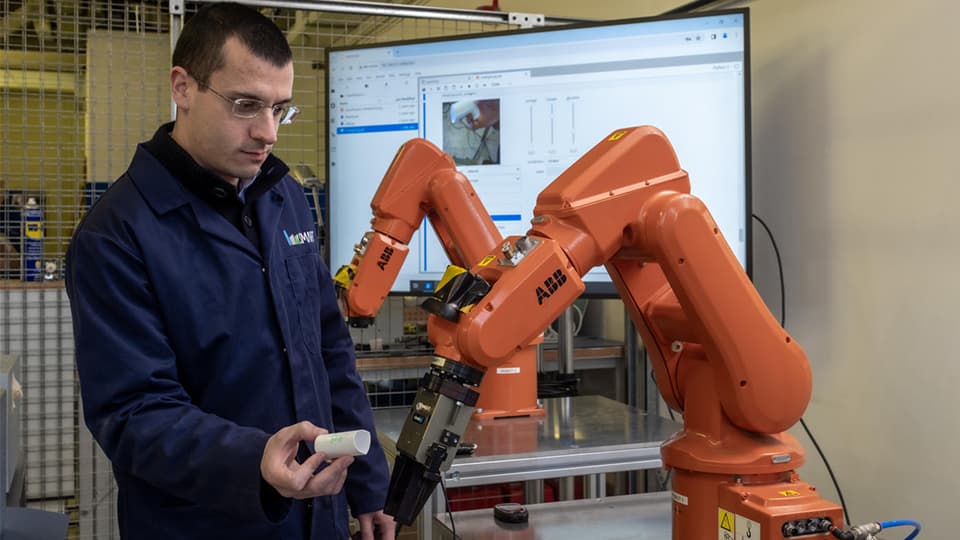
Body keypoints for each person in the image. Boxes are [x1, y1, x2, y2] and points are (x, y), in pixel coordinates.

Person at [64, 4, 395, 539]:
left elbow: (327, 347)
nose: (268, 133)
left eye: (280, 109)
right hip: (207, 522)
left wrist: (368, 484)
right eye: (246, 105)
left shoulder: (284, 196)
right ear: (183, 87)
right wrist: (253, 461)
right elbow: (133, 413)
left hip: (318, 515)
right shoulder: (116, 235)